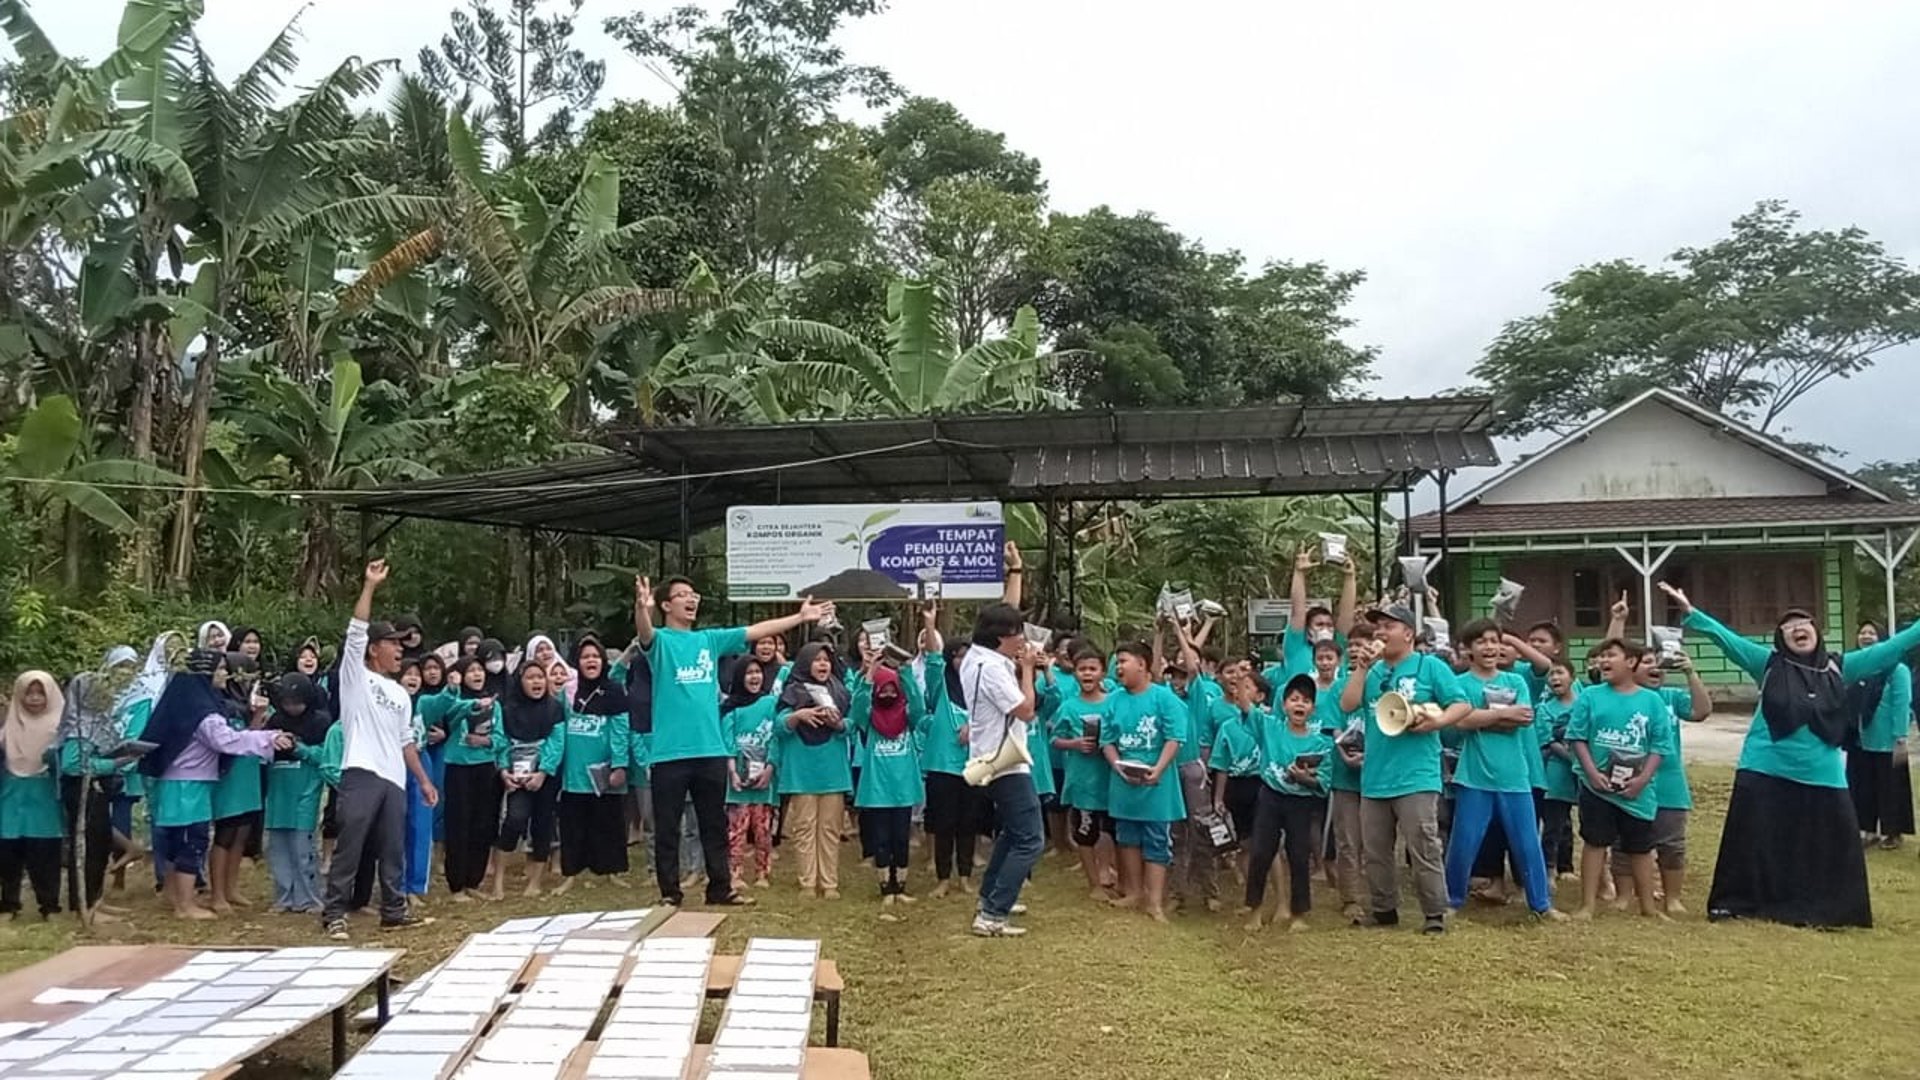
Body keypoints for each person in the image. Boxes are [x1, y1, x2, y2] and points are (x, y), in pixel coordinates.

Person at [1667, 584, 1920, 928]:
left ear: (1816, 631)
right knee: (1754, 840)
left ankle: (1831, 911)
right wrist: (1692, 613)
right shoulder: (1768, 664)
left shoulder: (1841, 667)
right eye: (1788, 627)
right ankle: (1737, 903)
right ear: (1781, 638)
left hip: (1822, 772)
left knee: (1831, 845)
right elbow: (1729, 640)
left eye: (1804, 624)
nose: (1797, 629)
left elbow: (1893, 647)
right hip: (1764, 767)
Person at [632, 574, 831, 908]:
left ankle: (720, 889)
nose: (691, 599)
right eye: (683, 595)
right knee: (668, 827)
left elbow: (755, 631)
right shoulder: (661, 642)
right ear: (666, 605)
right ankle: (670, 893)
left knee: (714, 824)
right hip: (669, 753)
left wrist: (799, 617)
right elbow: (645, 633)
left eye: (694, 594)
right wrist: (642, 608)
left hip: (710, 750)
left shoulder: (708, 640)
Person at [320, 560, 440, 940]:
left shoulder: (400, 693)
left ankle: (393, 911)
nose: (399, 649)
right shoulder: (355, 677)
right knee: (351, 845)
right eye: (392, 643)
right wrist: (370, 585)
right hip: (361, 772)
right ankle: (334, 913)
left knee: (392, 848)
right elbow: (356, 631)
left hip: (394, 778)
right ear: (374, 650)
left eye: (401, 644)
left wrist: (423, 780)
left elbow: (406, 740)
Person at [1339, 603, 1470, 934]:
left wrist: (1436, 722)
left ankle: (1434, 913)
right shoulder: (1373, 671)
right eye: (1378, 627)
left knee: (1423, 844)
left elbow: (1462, 704)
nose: (1380, 632)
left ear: (1408, 633)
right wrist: (1361, 668)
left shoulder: (1429, 666)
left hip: (1416, 775)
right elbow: (1347, 704)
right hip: (1375, 776)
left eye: (1389, 626)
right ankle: (1384, 909)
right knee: (1376, 849)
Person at [141, 651, 291, 920]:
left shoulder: (185, 701)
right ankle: (185, 905)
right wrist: (268, 738)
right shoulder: (202, 710)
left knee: (177, 841)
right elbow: (226, 741)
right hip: (189, 784)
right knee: (191, 840)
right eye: (220, 668)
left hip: (178, 782)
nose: (225, 673)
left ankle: (174, 897)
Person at [1445, 620, 1563, 921]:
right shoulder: (1460, 684)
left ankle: (1541, 905)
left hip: (1516, 777)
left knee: (1527, 843)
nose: (1489, 647)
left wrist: (1485, 717)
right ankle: (1452, 900)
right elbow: (1461, 721)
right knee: (1464, 842)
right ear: (1469, 649)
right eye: (1481, 641)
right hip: (1473, 776)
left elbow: (1522, 718)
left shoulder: (1515, 681)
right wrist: (1502, 714)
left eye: (1494, 641)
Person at [1566, 637, 1675, 920]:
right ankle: (1587, 905)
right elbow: (1576, 737)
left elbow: (1660, 745)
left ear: (1630, 662)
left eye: (1611, 655)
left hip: (1637, 791)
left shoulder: (1651, 701)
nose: (1603, 661)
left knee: (1641, 847)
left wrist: (1642, 780)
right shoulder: (1590, 696)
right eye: (1601, 656)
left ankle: (1648, 907)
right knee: (1595, 842)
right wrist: (1592, 773)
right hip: (1597, 788)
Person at [1100, 639, 1187, 924]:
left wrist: (1158, 769)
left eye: (1123, 661)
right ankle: (1134, 892)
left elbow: (1175, 738)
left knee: (1156, 840)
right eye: (1117, 662)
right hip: (1124, 782)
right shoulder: (1113, 700)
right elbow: (1107, 740)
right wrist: (1118, 767)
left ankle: (1154, 902)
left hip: (1156, 784)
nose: (1118, 667)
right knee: (1127, 838)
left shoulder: (1164, 699)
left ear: (1142, 664)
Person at [1242, 673, 1331, 931]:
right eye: (1294, 699)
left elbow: (1323, 781)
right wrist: (1241, 678)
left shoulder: (1320, 743)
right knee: (1261, 853)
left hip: (1300, 803)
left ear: (1312, 708)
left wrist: (1304, 778)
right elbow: (1246, 705)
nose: (1299, 704)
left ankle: (1298, 914)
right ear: (1284, 705)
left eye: (1305, 701)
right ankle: (1255, 910)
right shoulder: (1271, 727)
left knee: (1299, 856)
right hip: (1270, 797)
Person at [59, 647, 140, 923]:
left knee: (100, 844)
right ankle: (85, 906)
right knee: (88, 847)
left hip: (97, 790)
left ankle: (96, 900)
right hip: (83, 791)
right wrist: (113, 764)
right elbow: (73, 765)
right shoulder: (78, 727)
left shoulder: (97, 722)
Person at [772, 642, 854, 899]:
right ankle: (807, 882)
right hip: (801, 770)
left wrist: (839, 724)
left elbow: (853, 724)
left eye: (826, 660)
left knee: (830, 829)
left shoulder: (840, 691)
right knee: (804, 828)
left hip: (833, 770)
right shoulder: (793, 690)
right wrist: (798, 716)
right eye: (817, 659)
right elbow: (778, 727)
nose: (822, 664)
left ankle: (829, 883)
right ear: (805, 663)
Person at [553, 637, 635, 895]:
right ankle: (571, 874)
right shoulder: (568, 692)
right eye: (585, 657)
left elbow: (620, 730)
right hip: (573, 773)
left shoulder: (614, 691)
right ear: (577, 662)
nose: (591, 661)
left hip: (604, 772)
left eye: (595, 656)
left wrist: (619, 765)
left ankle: (611, 871)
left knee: (608, 823)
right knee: (573, 827)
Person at [853, 656, 926, 915]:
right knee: (881, 840)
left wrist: (905, 673)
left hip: (903, 789)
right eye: (882, 689)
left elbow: (918, 705)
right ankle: (885, 887)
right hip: (877, 790)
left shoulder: (907, 717)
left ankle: (901, 886)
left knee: (901, 839)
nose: (887, 693)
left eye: (892, 689)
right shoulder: (869, 719)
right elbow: (858, 706)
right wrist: (870, 673)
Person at [488, 660, 565, 899]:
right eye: (530, 677)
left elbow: (557, 741)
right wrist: (504, 772)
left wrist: (543, 772)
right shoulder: (507, 709)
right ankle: (498, 883)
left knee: (543, 825)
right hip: (517, 775)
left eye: (540, 677)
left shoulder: (554, 708)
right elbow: (501, 741)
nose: (536, 682)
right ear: (520, 682)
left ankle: (535, 883)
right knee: (514, 819)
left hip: (545, 776)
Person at [2, 673, 70, 920]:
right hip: (11, 794)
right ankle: (9, 905)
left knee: (45, 852)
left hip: (45, 794)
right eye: (28, 693)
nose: (34, 698)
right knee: (8, 852)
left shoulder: (61, 727)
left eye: (40, 693)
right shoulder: (9, 726)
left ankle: (49, 906)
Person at [262, 674, 331, 914]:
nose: (291, 708)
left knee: (303, 846)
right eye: (286, 702)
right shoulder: (275, 721)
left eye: (296, 702)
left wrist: (298, 748)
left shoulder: (320, 722)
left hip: (305, 788)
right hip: (278, 788)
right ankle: (284, 896)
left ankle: (309, 897)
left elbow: (324, 755)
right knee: (278, 846)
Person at [922, 634, 985, 898]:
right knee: (944, 824)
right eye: (958, 656)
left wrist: (973, 727)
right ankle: (943, 878)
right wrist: (930, 624)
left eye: (968, 656)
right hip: (942, 765)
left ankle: (965, 877)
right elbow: (933, 661)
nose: (963, 661)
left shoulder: (981, 686)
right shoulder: (940, 686)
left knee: (969, 823)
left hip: (974, 763)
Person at [1056, 644, 1119, 900]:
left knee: (1110, 830)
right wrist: (1074, 744)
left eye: (1093, 668)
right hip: (1083, 781)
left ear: (1103, 672)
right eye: (1082, 669)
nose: (1087, 673)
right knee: (1086, 832)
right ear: (1075, 673)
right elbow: (1055, 739)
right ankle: (1094, 884)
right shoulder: (1069, 707)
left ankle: (1107, 872)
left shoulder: (1114, 702)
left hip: (1111, 779)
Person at [1845, 622, 1915, 849]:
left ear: (1883, 639)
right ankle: (1867, 830)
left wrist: (1900, 737)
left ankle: (1893, 833)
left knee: (1890, 789)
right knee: (1862, 788)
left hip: (1887, 741)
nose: (1866, 636)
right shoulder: (1857, 668)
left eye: (1872, 633)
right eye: (1862, 632)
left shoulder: (1897, 670)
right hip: (1860, 739)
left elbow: (1902, 704)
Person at [207, 655, 268, 913]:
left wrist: (259, 714)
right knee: (226, 832)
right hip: (230, 773)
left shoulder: (245, 704)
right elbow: (231, 740)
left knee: (242, 830)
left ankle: (231, 889)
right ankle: (217, 893)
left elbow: (250, 735)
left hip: (248, 770)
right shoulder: (220, 705)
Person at [1316, 633, 1370, 920]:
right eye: (1353, 646)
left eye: (1363, 645)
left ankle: (1380, 895)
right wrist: (1346, 753)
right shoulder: (1338, 688)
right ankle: (1351, 898)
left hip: (1379, 776)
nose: (1357, 650)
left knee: (1377, 842)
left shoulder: (1383, 683)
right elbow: (1334, 725)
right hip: (1344, 776)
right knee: (1348, 839)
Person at [437, 658, 500, 901]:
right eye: (471, 671)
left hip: (485, 767)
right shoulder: (456, 702)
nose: (477, 674)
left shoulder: (494, 704)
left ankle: (474, 880)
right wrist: (474, 705)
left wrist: (486, 741)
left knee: (482, 825)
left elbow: (502, 737)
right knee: (458, 825)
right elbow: (451, 717)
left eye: (480, 670)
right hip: (458, 767)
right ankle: (456, 885)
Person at [723, 659, 779, 891]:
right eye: (748, 673)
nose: (754, 677)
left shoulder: (771, 703)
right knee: (736, 830)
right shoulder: (731, 708)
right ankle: (735, 873)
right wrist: (733, 773)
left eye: (757, 672)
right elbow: (727, 742)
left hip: (764, 779)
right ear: (739, 677)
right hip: (738, 780)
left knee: (763, 830)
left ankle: (762, 872)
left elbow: (776, 739)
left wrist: (770, 768)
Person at [1535, 661, 1581, 882]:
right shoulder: (1545, 709)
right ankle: (1549, 868)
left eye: (1560, 672)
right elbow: (1548, 741)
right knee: (1555, 821)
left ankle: (1566, 866)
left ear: (1572, 677)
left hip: (1585, 772)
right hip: (1557, 771)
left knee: (1574, 822)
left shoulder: (1584, 703)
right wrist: (1574, 759)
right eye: (1551, 674)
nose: (1555, 678)